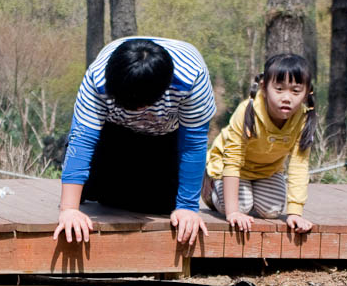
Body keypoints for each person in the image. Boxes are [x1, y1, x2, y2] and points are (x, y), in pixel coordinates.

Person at [53, 37, 217, 246]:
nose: (136, 110)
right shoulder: (98, 77)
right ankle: (102, 183)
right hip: (113, 133)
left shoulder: (192, 78)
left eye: (140, 105)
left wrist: (187, 207)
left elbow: (193, 144)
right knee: (89, 189)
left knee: (161, 206)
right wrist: (69, 210)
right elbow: (83, 139)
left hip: (164, 137)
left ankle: (119, 185)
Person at [204, 53, 316, 234]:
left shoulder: (303, 118)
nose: (287, 98)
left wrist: (295, 212)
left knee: (272, 212)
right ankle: (211, 187)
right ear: (264, 87)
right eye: (279, 89)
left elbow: (299, 165)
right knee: (240, 206)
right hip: (232, 168)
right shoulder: (247, 111)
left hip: (267, 171)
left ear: (306, 93)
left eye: (295, 91)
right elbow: (232, 159)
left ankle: (250, 193)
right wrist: (233, 212)